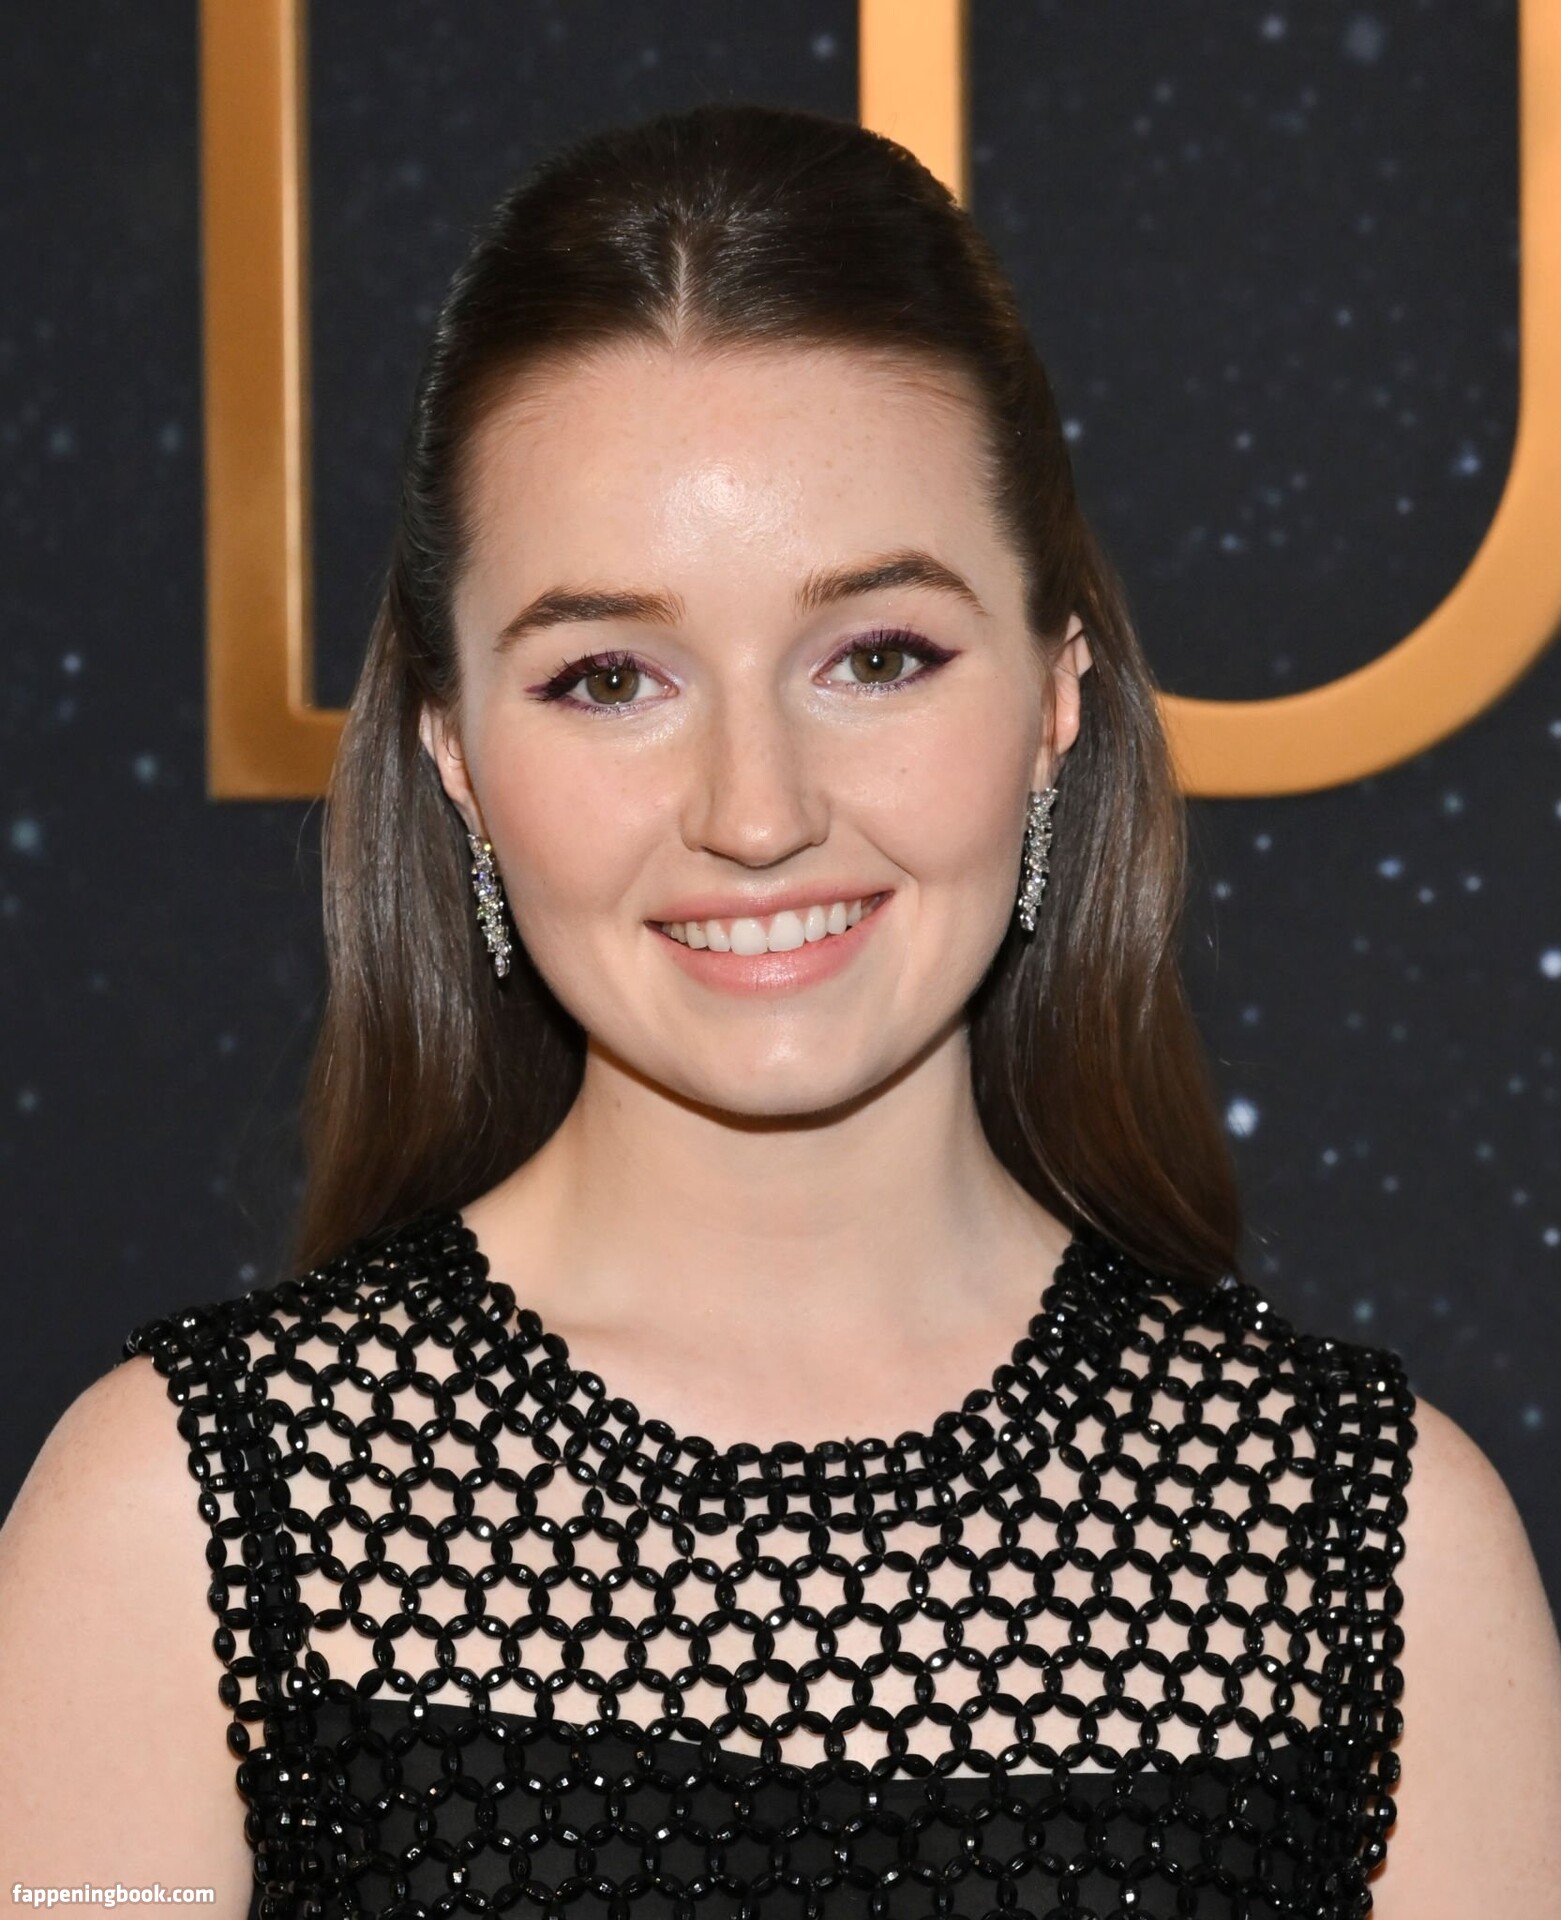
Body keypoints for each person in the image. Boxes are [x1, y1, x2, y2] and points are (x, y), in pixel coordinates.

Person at [1, 99, 1558, 1918]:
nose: (755, 811)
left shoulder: (1373, 1550)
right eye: (609, 678)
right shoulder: (177, 1525)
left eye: (876, 656)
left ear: (1055, 700)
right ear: (453, 752)